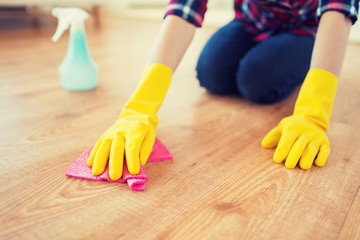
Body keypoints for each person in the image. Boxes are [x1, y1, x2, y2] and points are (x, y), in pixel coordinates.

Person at [87, 0, 359, 180]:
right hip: (252, 21)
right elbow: (184, 9)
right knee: (211, 75)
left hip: (307, 29)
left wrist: (313, 113)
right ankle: (267, 52)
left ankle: (296, 57)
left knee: (257, 82)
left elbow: (338, 8)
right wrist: (139, 107)